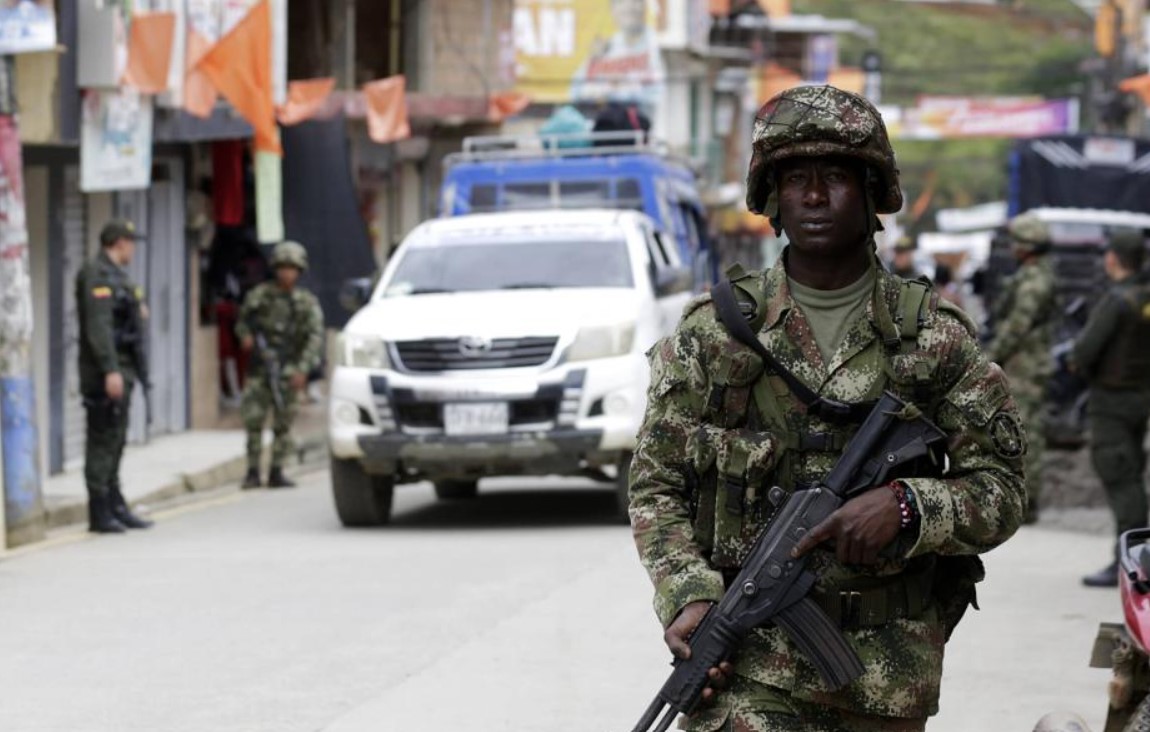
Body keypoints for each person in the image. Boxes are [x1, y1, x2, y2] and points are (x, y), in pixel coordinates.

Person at [628, 85, 1026, 732]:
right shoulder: (714, 333)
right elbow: (656, 484)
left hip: (887, 670)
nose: (813, 197)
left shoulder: (934, 335)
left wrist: (906, 508)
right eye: (795, 180)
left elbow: (1003, 491)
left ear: (872, 193)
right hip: (748, 658)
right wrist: (686, 595)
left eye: (835, 177)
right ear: (771, 199)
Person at [1072, 230, 1150, 588]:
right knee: (1132, 473)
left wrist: (1077, 366)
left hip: (1112, 403)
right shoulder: (1143, 297)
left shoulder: (1117, 301)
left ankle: (1130, 560)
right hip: (1140, 399)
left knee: (1122, 479)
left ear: (1113, 258)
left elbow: (1084, 352)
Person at [75, 219, 155, 533]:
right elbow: (99, 328)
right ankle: (99, 509)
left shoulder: (118, 276)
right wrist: (110, 369)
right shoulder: (97, 275)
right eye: (130, 242)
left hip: (124, 368)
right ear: (119, 242)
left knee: (116, 437)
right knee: (102, 438)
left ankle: (114, 502)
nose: (133, 248)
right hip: (105, 372)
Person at [985, 211, 1056, 524]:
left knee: (1026, 433)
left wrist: (990, 357)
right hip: (1023, 366)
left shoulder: (1034, 282)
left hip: (1026, 369)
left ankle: (1028, 501)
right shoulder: (1031, 275)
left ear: (1027, 245)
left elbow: (1016, 327)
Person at [235, 241, 324, 489]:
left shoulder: (305, 302)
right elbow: (242, 321)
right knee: (253, 421)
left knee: (283, 424)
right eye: (283, 267)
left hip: (289, 370)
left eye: (292, 268)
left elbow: (314, 338)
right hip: (259, 369)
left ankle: (276, 470)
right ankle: (253, 471)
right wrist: (246, 337)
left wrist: (302, 369)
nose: (287, 273)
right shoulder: (259, 296)